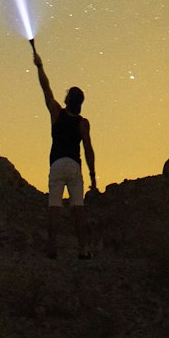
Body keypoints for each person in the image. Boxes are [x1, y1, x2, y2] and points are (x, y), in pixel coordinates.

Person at [30, 36, 97, 257]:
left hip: (57, 164)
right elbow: (88, 149)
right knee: (78, 208)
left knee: (54, 207)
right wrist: (93, 176)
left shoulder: (57, 113)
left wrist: (40, 66)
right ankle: (83, 249)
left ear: (68, 100)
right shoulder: (83, 123)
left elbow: (45, 88)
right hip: (75, 166)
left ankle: (53, 247)